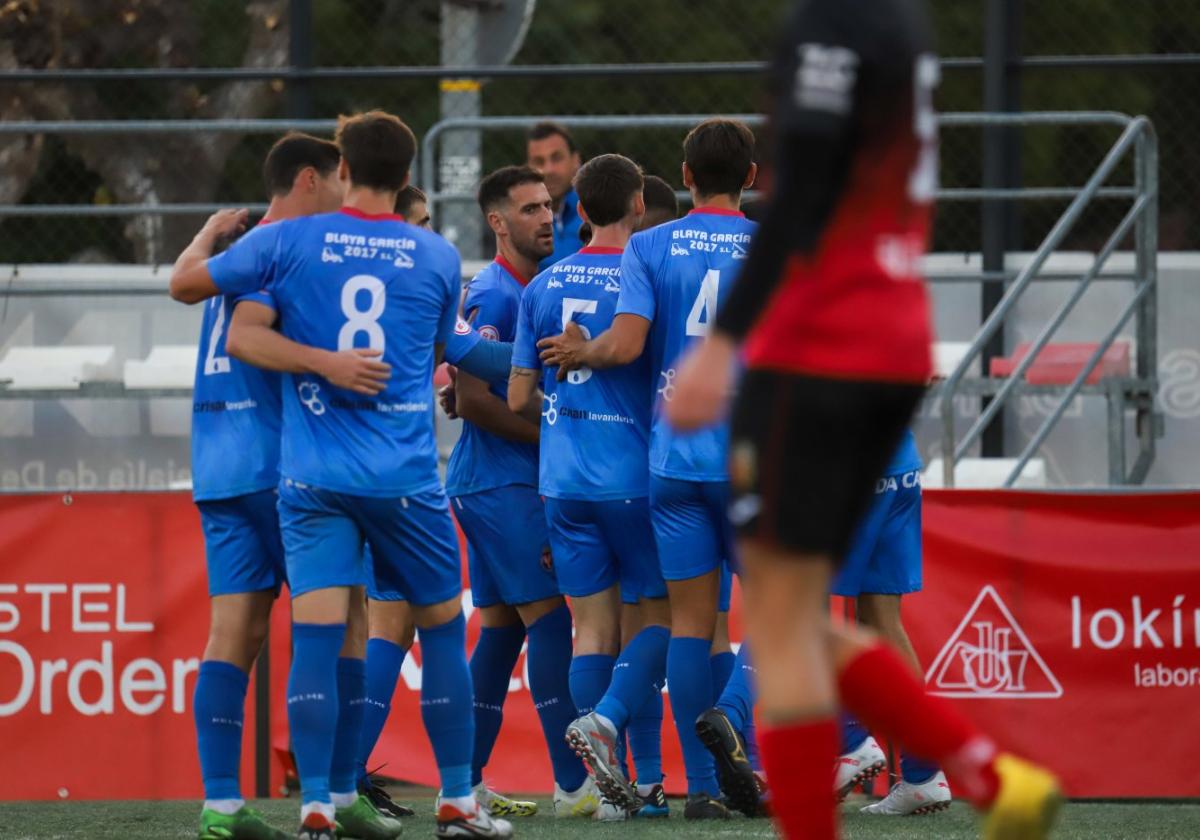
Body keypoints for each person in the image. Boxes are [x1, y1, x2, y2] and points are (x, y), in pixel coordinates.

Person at [665, 2, 1061, 839]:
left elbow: (805, 188)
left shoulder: (830, 27)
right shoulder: (902, 27)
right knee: (791, 610)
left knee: (784, 612)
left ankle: (980, 773)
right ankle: (988, 774)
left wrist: (720, 344)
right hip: (890, 334)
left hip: (823, 343)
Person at [171, 110, 512, 840]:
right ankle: (417, 796)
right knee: (403, 630)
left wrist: (202, 237)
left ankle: (268, 804)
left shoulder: (270, 246)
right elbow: (440, 342)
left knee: (264, 635)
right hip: (361, 471)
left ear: (347, 170)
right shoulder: (424, 254)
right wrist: (525, 365)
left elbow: (201, 299)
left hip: (249, 466)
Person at [536, 118, 759, 819]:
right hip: (751, 459)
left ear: (685, 177)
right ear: (752, 177)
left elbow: (626, 345)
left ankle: (704, 788)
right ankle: (730, 720)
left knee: (691, 623)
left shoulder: (651, 246)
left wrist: (582, 352)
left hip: (672, 463)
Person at [175, 131, 342, 840]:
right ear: (309, 179)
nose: (344, 192)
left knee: (232, 635)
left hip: (218, 465)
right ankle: (331, 796)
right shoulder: (289, 246)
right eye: (339, 179)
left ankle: (220, 802)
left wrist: (207, 233)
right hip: (281, 464)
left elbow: (182, 283)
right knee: (336, 621)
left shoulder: (228, 254)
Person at [508, 153, 672, 820]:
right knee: (667, 620)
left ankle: (626, 794)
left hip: (564, 481)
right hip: (631, 477)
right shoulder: (646, 275)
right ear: (638, 205)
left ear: (577, 205)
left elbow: (519, 396)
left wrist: (562, 403)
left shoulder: (542, 285)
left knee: (594, 631)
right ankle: (614, 733)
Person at [443, 164, 598, 820]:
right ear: (498, 222)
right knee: (552, 621)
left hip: (494, 482)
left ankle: (466, 780)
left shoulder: (530, 287)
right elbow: (476, 403)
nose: (546, 218)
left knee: (502, 632)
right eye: (531, 208)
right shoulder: (498, 294)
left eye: (551, 206)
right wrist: (559, 437)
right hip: (502, 484)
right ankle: (574, 785)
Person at [833, 431, 952, 814]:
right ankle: (923, 776)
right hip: (900, 462)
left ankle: (851, 741)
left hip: (853, 464)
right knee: (880, 619)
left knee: (801, 608)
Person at [526, 122, 583, 270]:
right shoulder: (519, 222)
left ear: (576, 160)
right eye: (539, 162)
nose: (548, 170)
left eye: (556, 158)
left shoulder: (600, 213)